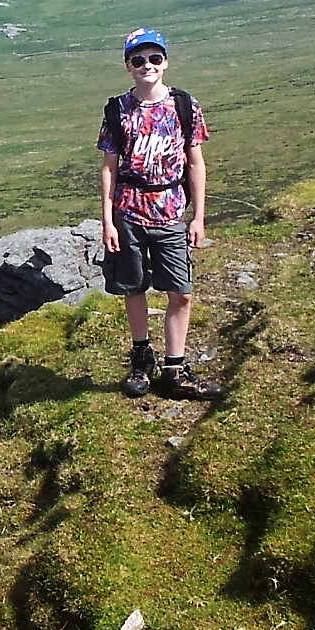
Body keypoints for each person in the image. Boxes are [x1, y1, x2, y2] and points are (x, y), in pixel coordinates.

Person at [98, 27, 221, 400]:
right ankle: (141, 358)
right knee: (133, 288)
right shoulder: (117, 110)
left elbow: (196, 163)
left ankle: (174, 368)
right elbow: (109, 168)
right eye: (138, 60)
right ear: (128, 66)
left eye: (154, 58)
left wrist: (198, 217)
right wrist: (108, 221)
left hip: (170, 213)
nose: (147, 65)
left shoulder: (185, 106)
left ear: (165, 62)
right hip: (129, 213)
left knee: (180, 293)